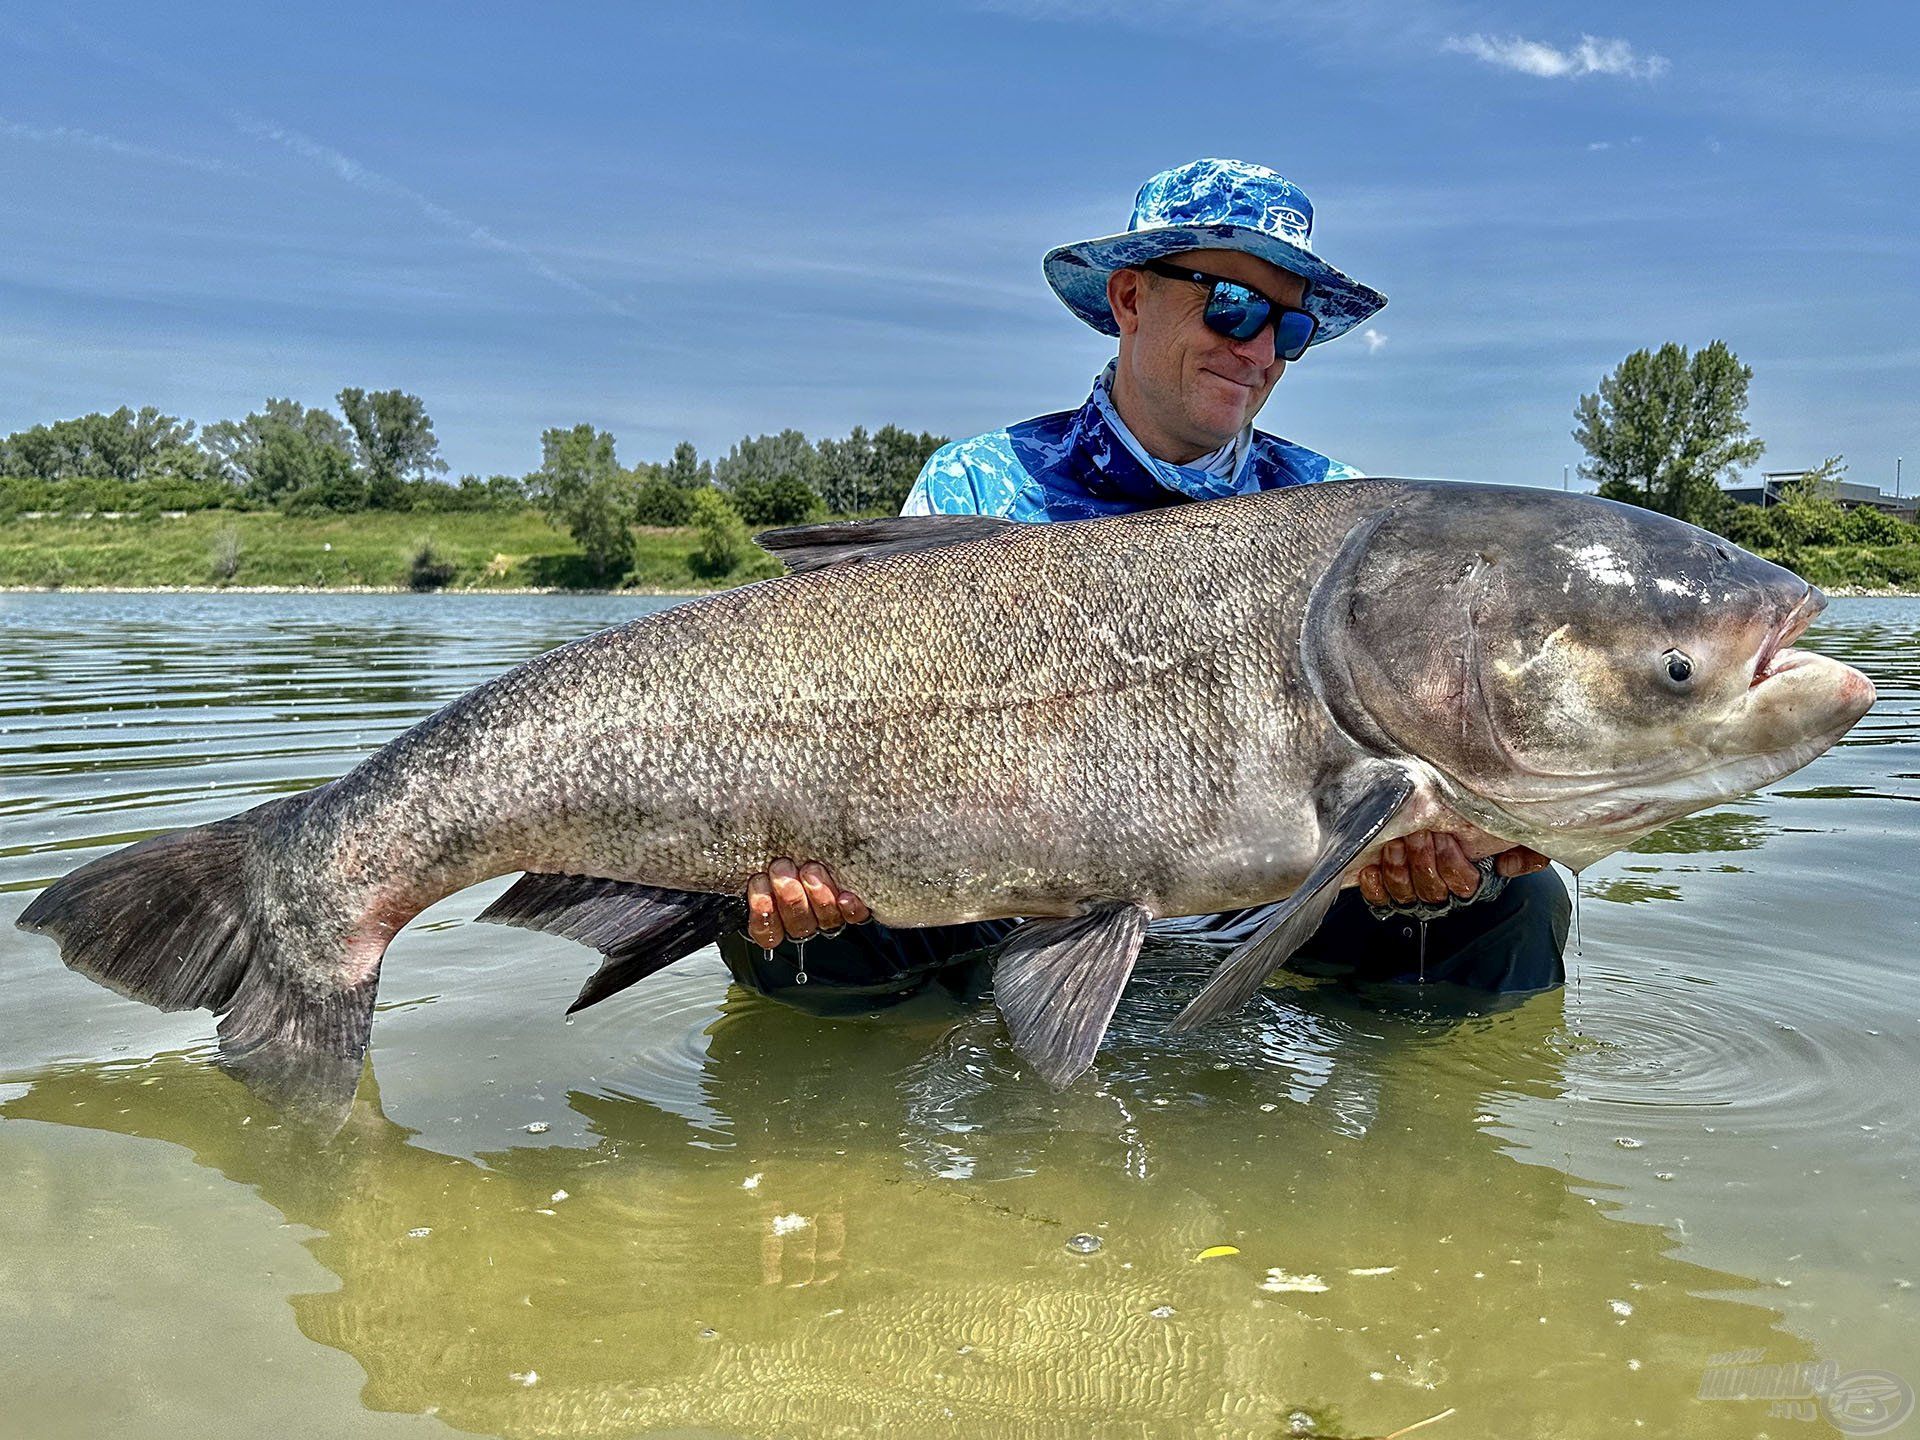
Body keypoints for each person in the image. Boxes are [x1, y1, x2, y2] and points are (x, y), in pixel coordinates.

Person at [721, 157, 1569, 1006]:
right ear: (1129, 299)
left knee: (1515, 907)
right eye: (1231, 306)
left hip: (1261, 911)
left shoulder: (1336, 514)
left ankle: (1403, 1134)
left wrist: (1440, 864)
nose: (1260, 349)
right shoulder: (975, 485)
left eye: (1291, 329)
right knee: (769, 925)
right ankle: (847, 1126)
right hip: (1001, 894)